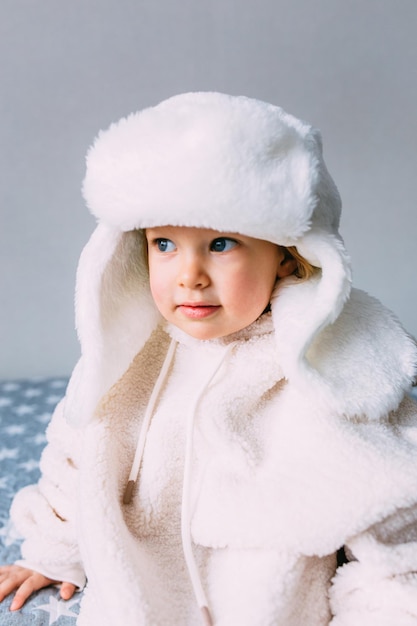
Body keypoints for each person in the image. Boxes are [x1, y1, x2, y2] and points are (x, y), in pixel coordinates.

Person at [1, 92, 417, 626]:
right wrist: (53, 549)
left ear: (289, 257)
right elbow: (80, 452)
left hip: (268, 599)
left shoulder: (326, 365)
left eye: (221, 244)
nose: (188, 274)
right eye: (164, 244)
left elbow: (389, 500)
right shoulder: (130, 361)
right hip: (136, 597)